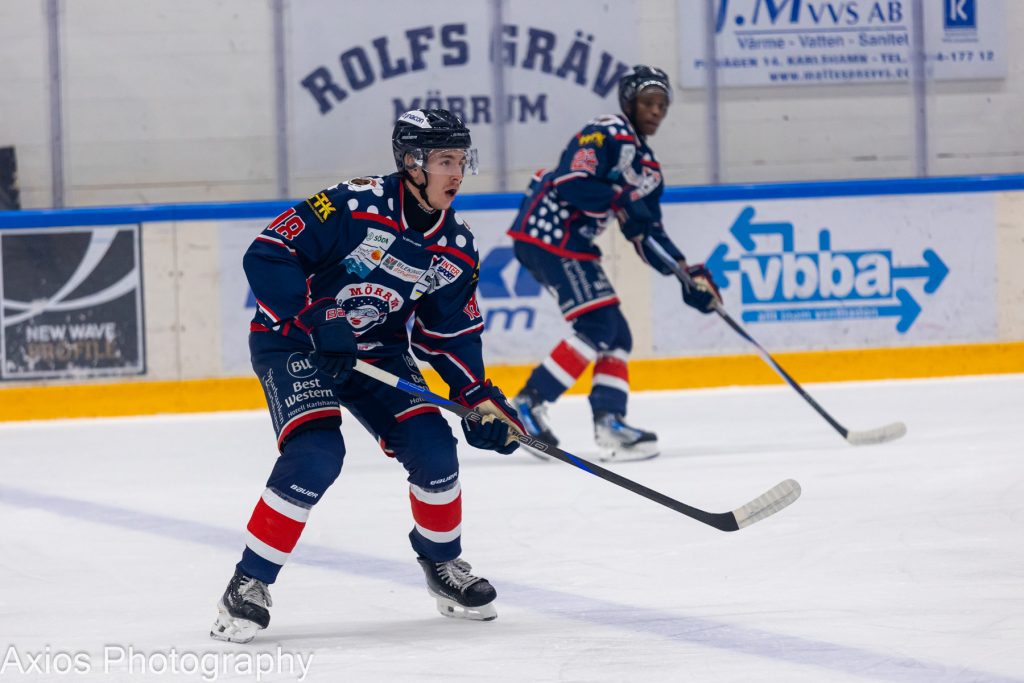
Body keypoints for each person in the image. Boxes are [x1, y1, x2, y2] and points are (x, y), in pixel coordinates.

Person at [211, 109, 525, 643]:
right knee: (316, 454)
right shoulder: (353, 203)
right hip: (296, 341)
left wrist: (478, 398)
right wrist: (318, 316)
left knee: (434, 449)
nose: (456, 174)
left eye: (461, 161)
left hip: (376, 352)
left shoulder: (456, 245)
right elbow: (269, 254)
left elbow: (447, 333)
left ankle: (442, 564)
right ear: (412, 163)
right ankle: (248, 582)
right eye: (445, 161)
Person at [507, 65, 721, 463]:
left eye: (662, 105)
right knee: (598, 326)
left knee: (617, 334)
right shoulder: (606, 131)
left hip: (572, 243)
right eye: (648, 102)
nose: (655, 111)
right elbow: (572, 180)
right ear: (628, 102)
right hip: (549, 232)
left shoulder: (649, 171)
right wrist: (621, 200)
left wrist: (684, 273)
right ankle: (527, 403)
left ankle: (610, 424)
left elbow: (647, 232)